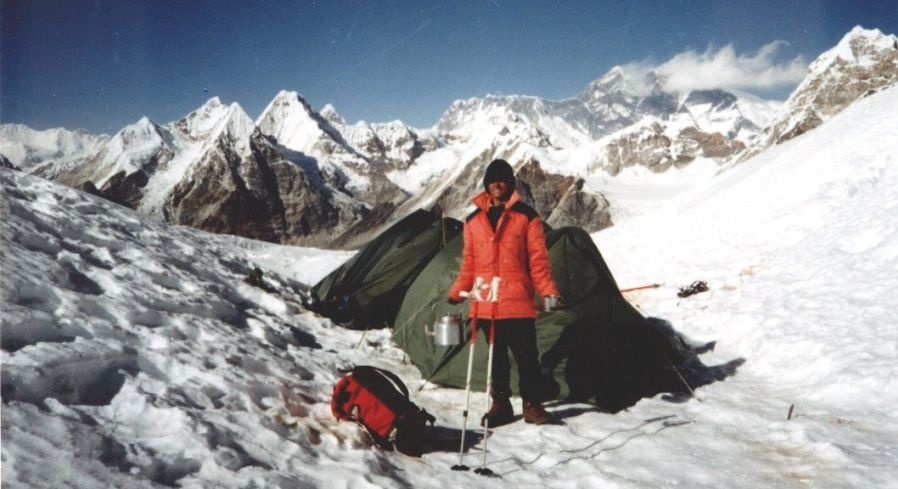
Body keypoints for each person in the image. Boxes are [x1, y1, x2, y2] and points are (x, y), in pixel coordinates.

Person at [447, 158, 562, 426]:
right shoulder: (473, 221)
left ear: (510, 183)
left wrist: (549, 292)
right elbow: (470, 265)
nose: (497, 184)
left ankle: (532, 405)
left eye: (502, 179)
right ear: (486, 184)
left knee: (526, 356)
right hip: (487, 301)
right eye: (492, 179)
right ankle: (501, 405)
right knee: (496, 359)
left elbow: (538, 261)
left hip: (517, 299)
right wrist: (458, 290)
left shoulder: (527, 217)